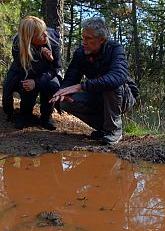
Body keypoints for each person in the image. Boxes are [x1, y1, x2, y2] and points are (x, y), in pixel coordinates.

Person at [51, 16, 138, 145]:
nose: (84, 42)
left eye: (88, 38)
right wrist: (62, 94)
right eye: (83, 37)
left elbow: (118, 76)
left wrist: (81, 86)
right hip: (97, 95)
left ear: (101, 39)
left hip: (123, 97)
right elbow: (70, 78)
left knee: (111, 84)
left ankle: (114, 129)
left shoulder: (115, 49)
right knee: (66, 102)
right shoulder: (80, 54)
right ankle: (104, 128)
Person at [2, 15, 61, 130]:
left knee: (52, 85)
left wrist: (38, 81)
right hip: (24, 72)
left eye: (45, 31)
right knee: (27, 85)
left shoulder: (53, 40)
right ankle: (25, 115)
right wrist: (40, 55)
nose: (46, 35)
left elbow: (56, 68)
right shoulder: (18, 45)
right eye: (41, 34)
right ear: (29, 38)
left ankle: (46, 116)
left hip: (47, 73)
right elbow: (25, 69)